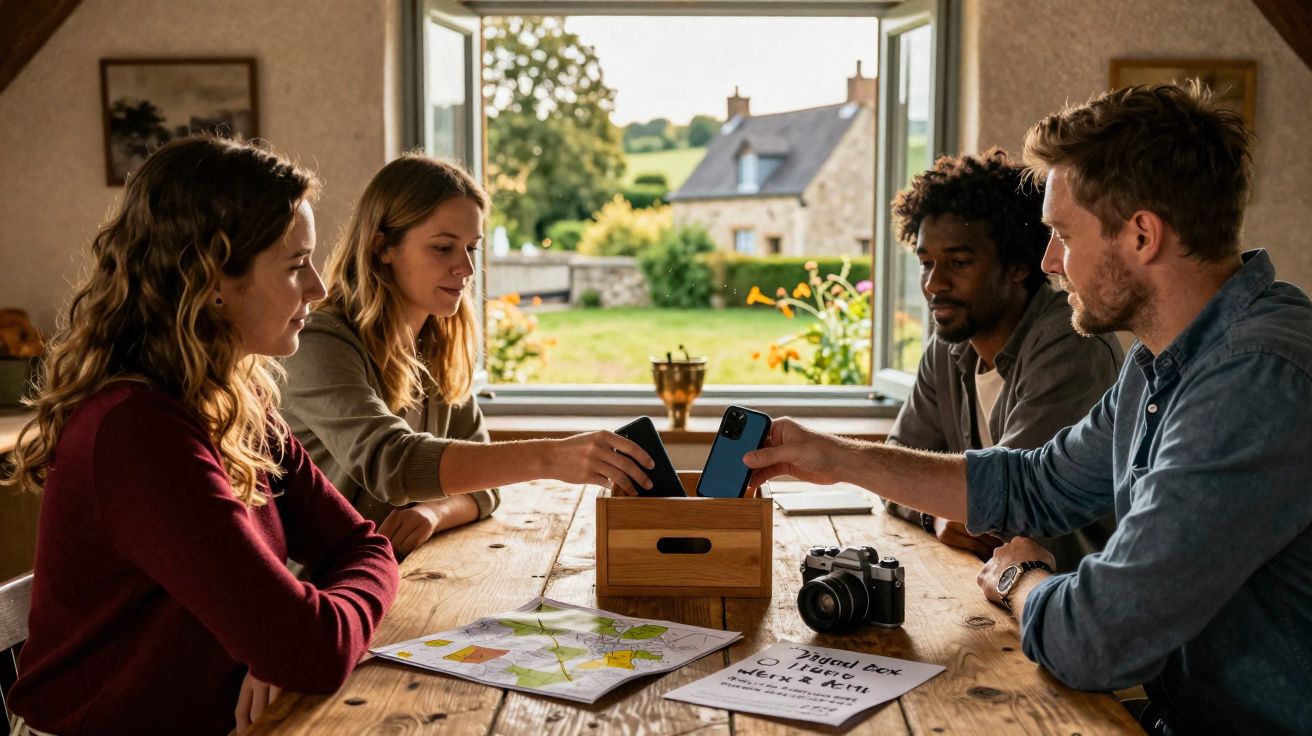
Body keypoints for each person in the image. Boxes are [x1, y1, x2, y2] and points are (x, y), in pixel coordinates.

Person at [742, 83, 1312, 735]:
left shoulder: (1254, 381)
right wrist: (839, 459)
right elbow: (1036, 483)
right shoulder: (1164, 360)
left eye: (1063, 236)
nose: (1047, 262)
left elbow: (1097, 638)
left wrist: (1020, 578)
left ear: (1143, 235)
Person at [3, 137, 399, 736]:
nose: (318, 289)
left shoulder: (238, 399)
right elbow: (312, 649)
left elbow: (365, 547)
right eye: (296, 266)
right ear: (213, 279)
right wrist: (288, 640)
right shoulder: (138, 433)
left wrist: (281, 642)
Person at [280, 153, 654, 556]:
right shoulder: (317, 341)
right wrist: (551, 457)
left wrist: (435, 514)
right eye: (443, 248)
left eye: (471, 248)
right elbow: (393, 463)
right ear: (383, 246)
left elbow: (484, 487)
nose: (467, 268)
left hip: (400, 574)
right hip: (326, 590)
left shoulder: (435, 343)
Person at [883, 148, 1122, 570]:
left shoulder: (1071, 344)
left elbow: (1013, 502)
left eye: (958, 262)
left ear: (1017, 266)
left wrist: (940, 497)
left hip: (1065, 599)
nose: (934, 284)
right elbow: (896, 460)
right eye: (925, 263)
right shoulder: (949, 345)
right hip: (986, 589)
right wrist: (933, 513)